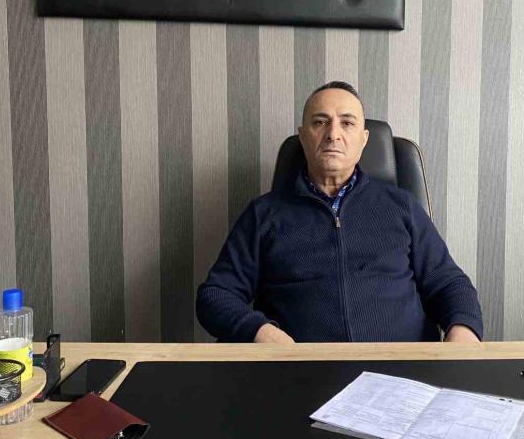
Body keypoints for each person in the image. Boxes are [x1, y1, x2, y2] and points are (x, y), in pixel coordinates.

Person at [196, 81, 484, 343]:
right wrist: (260, 331)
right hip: (300, 372)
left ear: (364, 139)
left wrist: (463, 331)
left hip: (400, 370)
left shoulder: (402, 207)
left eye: (347, 123)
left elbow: (450, 284)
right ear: (303, 136)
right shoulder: (264, 214)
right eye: (320, 122)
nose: (333, 134)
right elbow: (216, 295)